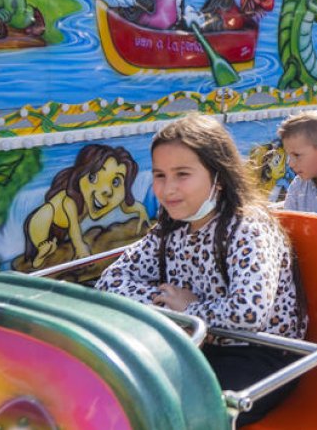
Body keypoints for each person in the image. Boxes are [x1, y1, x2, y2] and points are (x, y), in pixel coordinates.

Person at [96, 115, 306, 426]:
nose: (168, 189)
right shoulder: (170, 229)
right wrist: (165, 301)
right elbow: (109, 281)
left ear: (218, 177)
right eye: (160, 175)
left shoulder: (248, 227)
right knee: (119, 388)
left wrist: (188, 308)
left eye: (182, 174)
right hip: (196, 344)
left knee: (181, 413)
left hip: (261, 353)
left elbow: (248, 314)